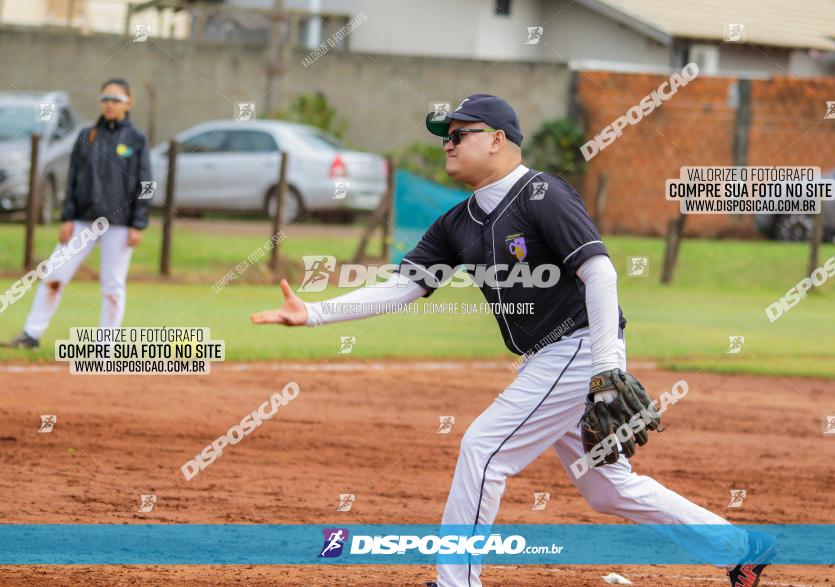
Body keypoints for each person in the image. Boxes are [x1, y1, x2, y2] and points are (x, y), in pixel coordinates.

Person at [251, 94, 776, 587]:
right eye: (445, 136)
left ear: (498, 139)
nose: (448, 144)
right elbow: (401, 288)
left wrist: (607, 367)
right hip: (551, 359)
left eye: (461, 134)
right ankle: (741, 548)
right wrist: (314, 313)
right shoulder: (458, 222)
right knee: (605, 487)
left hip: (578, 348)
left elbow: (600, 273)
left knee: (483, 450)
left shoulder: (542, 194)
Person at [5, 78, 151, 349]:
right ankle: (31, 335)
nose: (110, 104)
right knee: (54, 275)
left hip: (120, 223)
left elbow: (146, 184)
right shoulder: (87, 135)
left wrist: (138, 223)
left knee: (112, 286)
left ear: (128, 103)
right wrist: (67, 218)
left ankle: (105, 347)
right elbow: (73, 180)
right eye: (105, 98)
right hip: (84, 220)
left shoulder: (136, 139)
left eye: (116, 99)